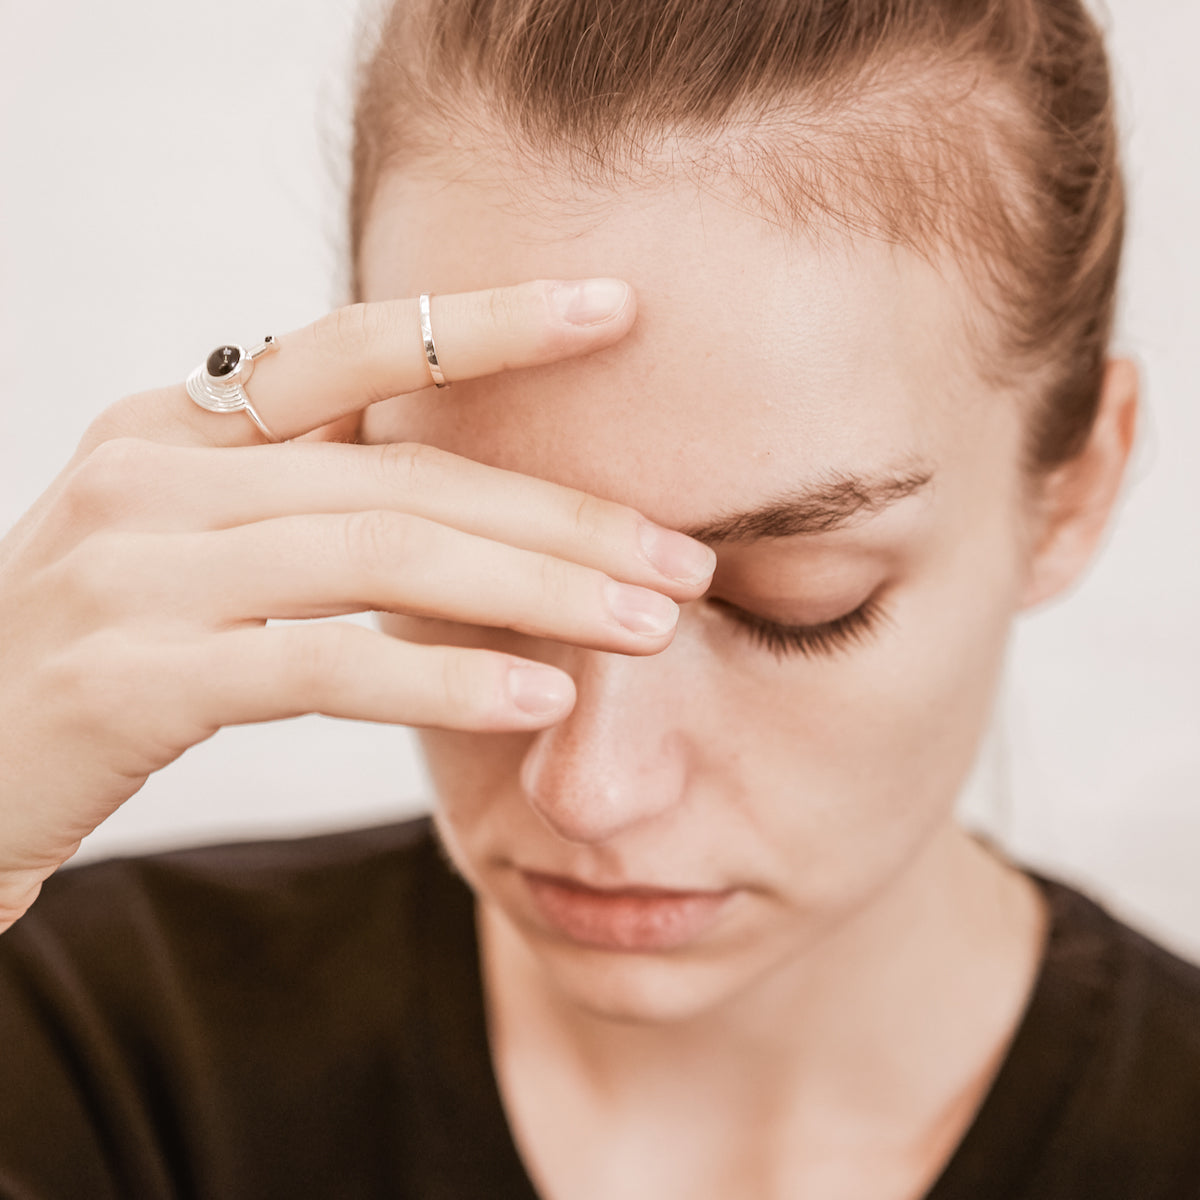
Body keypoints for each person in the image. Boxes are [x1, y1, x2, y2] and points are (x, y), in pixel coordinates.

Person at [1, 0, 1198, 1196]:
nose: (588, 793)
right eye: (479, 561)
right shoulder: (82, 1044)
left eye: (796, 600)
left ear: (1076, 487)